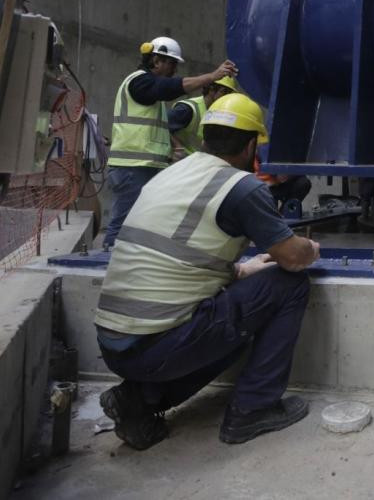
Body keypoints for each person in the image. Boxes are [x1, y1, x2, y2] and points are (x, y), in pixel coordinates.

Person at [94, 93, 321, 449]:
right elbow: (292, 258)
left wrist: (242, 271)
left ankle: (137, 401)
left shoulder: (175, 173)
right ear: (250, 145)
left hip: (114, 342)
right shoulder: (242, 187)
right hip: (157, 344)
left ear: (205, 136)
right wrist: (309, 249)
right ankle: (253, 410)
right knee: (289, 285)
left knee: (233, 328)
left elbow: (177, 257)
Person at [103, 37, 236, 249]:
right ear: (156, 60)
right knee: (122, 226)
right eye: (171, 63)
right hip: (131, 168)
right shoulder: (140, 82)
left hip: (143, 168)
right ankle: (107, 264)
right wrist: (212, 76)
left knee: (137, 225)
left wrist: (171, 149)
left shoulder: (148, 89)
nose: (174, 69)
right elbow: (170, 87)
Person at [171, 74, 240, 156]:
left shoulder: (219, 114)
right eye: (224, 91)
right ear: (211, 89)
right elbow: (164, 128)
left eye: (228, 94)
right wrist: (178, 147)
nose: (226, 97)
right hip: (180, 163)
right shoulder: (188, 109)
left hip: (198, 163)